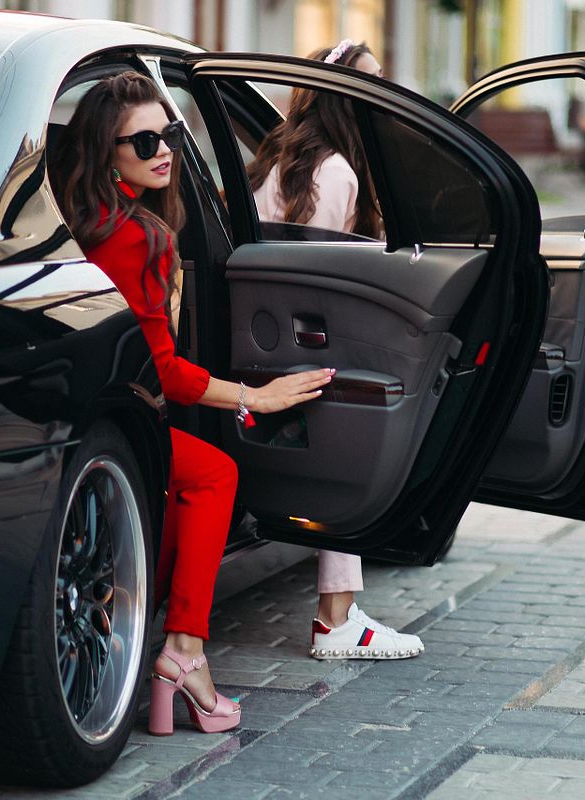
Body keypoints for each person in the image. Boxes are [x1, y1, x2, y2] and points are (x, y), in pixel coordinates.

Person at [57, 73, 335, 734]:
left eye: (171, 135)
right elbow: (167, 375)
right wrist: (254, 395)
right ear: (106, 153)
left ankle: (161, 640)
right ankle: (183, 651)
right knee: (214, 473)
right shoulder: (138, 240)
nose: (163, 151)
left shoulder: (81, 226)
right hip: (123, 426)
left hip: (81, 423)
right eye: (142, 140)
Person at [248, 39, 425, 661]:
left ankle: (342, 612)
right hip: (303, 355)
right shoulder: (338, 173)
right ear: (345, 97)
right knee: (363, 415)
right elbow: (321, 287)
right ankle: (336, 618)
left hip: (256, 346)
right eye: (373, 84)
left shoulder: (274, 162)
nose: (386, 95)